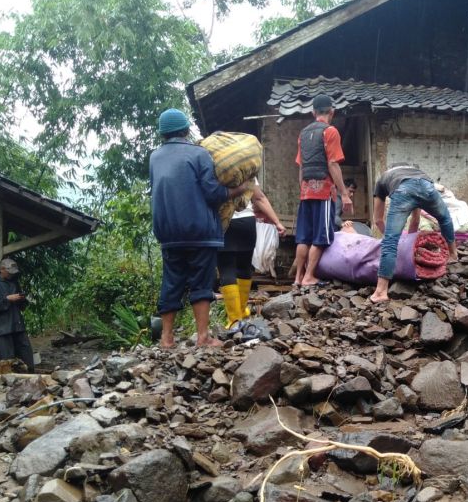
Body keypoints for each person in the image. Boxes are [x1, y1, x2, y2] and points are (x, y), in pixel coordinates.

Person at [150, 108, 248, 349]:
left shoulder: (154, 157)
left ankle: (166, 338)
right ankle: (203, 337)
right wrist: (238, 188)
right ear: (185, 130)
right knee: (201, 283)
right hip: (200, 231)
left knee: (171, 282)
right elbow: (213, 194)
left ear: (163, 133)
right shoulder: (199, 154)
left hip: (168, 233)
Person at [370, 163, 458, 303]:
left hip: (403, 191)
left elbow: (378, 220)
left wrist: (393, 240)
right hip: (427, 185)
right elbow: (415, 221)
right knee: (445, 218)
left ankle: (381, 291)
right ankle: (453, 254)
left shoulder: (382, 180)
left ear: (389, 170)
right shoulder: (415, 172)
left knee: (390, 241)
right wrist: (408, 244)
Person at [293, 94, 353, 286]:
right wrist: (344, 194)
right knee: (320, 235)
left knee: (304, 237)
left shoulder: (303, 134)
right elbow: (333, 164)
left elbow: (301, 167)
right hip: (323, 192)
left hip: (305, 191)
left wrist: (302, 189)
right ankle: (309, 276)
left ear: (313, 113)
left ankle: (297, 278)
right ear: (332, 112)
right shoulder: (330, 131)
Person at [219, 181, 286, 330]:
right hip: (247, 222)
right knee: (244, 267)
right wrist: (277, 222)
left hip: (224, 221)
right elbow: (259, 197)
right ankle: (243, 312)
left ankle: (234, 320)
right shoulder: (246, 167)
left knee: (227, 269)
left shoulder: (214, 166)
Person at [0, 258, 35, 373]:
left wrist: (22, 299)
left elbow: (21, 305)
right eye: (10, 272)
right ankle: (10, 382)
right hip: (1, 327)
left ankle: (31, 376)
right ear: (2, 269)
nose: (12, 275)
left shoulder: (14, 282)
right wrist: (7, 299)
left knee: (25, 350)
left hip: (16, 323)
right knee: (7, 357)